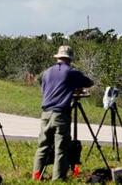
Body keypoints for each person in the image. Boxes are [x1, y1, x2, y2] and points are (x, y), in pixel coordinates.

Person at [32, 45, 93, 181]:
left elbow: (45, 87)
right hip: (61, 113)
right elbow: (89, 82)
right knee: (61, 148)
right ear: (70, 59)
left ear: (58, 57)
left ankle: (36, 177)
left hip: (46, 113)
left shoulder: (46, 72)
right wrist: (75, 87)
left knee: (43, 146)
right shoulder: (71, 72)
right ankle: (58, 178)